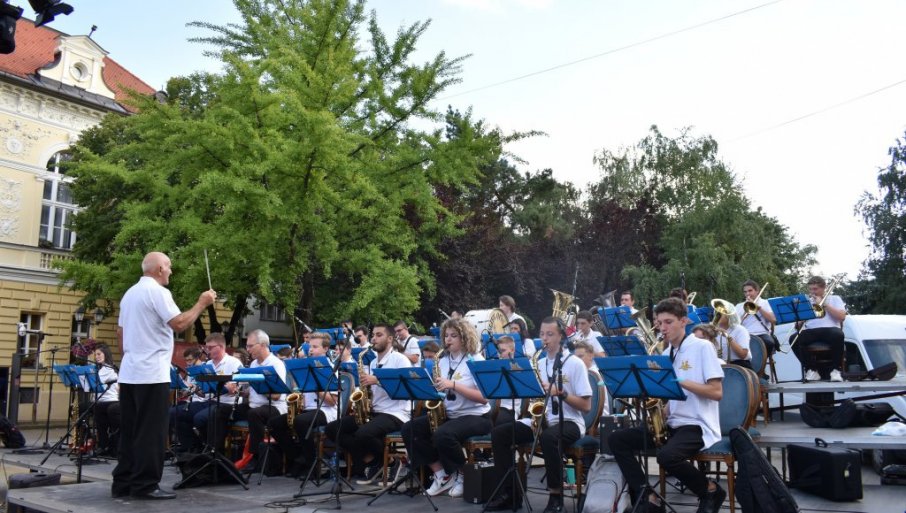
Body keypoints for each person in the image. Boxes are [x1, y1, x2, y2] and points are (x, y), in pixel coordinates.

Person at [113, 251, 216, 500]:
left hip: (130, 371)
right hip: (151, 373)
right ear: (159, 269)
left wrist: (131, 355)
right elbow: (179, 323)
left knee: (130, 430)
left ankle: (123, 482)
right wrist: (202, 303)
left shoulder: (130, 294)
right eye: (168, 266)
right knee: (152, 432)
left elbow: (120, 333)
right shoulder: (158, 292)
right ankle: (145, 485)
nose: (171, 270)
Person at [609, 298, 725, 513]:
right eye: (659, 322)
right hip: (672, 422)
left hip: (697, 424)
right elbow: (671, 396)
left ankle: (710, 490)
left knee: (667, 456)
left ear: (684, 321)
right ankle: (648, 496)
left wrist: (681, 382)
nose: (662, 328)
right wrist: (660, 411)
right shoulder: (666, 353)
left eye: (668, 322)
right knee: (617, 439)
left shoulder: (703, 347)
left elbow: (716, 392)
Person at [486, 317, 593, 513]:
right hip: (543, 419)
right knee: (500, 434)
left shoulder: (575, 363)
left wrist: (561, 393)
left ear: (561, 336)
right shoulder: (540, 363)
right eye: (542, 334)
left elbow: (586, 406)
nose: (544, 338)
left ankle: (556, 497)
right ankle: (510, 494)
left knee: (548, 438)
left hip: (570, 421)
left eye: (550, 334)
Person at [402, 318, 491, 498]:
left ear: (465, 337)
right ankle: (442, 474)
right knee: (409, 429)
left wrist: (453, 385)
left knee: (443, 434)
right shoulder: (442, 361)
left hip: (476, 416)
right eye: (446, 335)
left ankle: (462, 475)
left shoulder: (476, 360)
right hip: (450, 413)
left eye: (453, 336)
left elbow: (483, 398)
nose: (448, 340)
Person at [324, 323, 412, 484]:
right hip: (376, 411)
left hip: (396, 413)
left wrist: (377, 380)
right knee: (333, 429)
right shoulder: (372, 363)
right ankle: (375, 461)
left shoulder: (401, 360)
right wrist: (365, 402)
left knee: (363, 433)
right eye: (373, 335)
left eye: (379, 335)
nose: (374, 338)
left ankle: (392, 461)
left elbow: (406, 388)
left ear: (390, 339)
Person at [268, 332, 338, 477]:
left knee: (300, 421)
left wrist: (316, 387)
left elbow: (332, 402)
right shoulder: (305, 367)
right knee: (274, 423)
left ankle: (312, 465)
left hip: (326, 411)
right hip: (307, 409)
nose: (310, 350)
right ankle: (297, 457)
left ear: (326, 349)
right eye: (310, 346)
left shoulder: (330, 369)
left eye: (315, 347)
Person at [176, 333, 243, 454]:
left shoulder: (234, 363)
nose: (207, 350)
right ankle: (191, 448)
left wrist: (225, 386)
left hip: (227, 404)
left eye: (210, 347)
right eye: (206, 347)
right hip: (210, 401)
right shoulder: (208, 364)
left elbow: (234, 389)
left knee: (200, 418)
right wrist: (196, 389)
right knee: (176, 413)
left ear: (221, 347)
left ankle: (209, 449)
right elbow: (204, 394)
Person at [233, 329, 287, 471]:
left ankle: (255, 457)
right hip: (255, 405)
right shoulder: (253, 364)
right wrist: (241, 392)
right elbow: (252, 392)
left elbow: (277, 395)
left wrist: (261, 387)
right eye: (247, 346)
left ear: (262, 345)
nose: (248, 349)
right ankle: (222, 452)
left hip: (274, 407)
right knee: (225, 411)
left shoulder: (276, 364)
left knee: (254, 414)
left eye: (251, 346)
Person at [793, 276, 847, 382]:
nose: (813, 292)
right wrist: (801, 319)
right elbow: (797, 327)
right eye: (810, 289)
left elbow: (842, 317)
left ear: (823, 288)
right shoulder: (807, 302)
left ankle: (835, 370)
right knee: (794, 339)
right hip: (811, 330)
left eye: (815, 289)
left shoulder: (835, 299)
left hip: (830, 329)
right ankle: (811, 370)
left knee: (838, 335)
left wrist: (824, 304)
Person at [90, 343, 121, 457]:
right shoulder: (100, 369)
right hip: (101, 401)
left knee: (100, 409)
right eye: (95, 355)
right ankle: (103, 445)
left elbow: (97, 381)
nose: (96, 357)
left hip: (111, 400)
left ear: (106, 354)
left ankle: (109, 446)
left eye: (99, 354)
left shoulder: (108, 369)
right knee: (94, 408)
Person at [735, 280, 778, 355]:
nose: (747, 294)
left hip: (761, 334)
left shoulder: (765, 303)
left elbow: (773, 320)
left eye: (750, 291)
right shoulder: (739, 306)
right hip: (745, 335)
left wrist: (758, 308)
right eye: (745, 292)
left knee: (769, 343)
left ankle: (761, 362)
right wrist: (745, 313)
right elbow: (735, 325)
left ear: (757, 291)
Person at [713, 299, 752, 369]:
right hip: (721, 365)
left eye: (720, 313)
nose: (717, 315)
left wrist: (727, 336)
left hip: (740, 365)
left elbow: (743, 355)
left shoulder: (740, 330)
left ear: (729, 315)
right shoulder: (714, 330)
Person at [493, 336, 521, 426]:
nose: (500, 355)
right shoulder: (494, 367)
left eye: (503, 351)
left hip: (509, 408)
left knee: (497, 421)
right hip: (494, 407)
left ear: (512, 350)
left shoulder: (518, 368)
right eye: (499, 352)